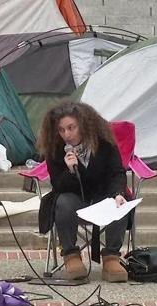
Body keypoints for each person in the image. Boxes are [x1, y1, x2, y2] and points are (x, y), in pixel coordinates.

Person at [36, 101, 128, 282]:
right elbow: (58, 185)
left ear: (84, 125)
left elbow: (117, 172)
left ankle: (111, 257)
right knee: (63, 202)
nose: (67, 134)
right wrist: (70, 170)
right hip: (75, 197)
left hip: (103, 193)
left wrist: (118, 193)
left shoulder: (104, 143)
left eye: (71, 128)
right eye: (62, 130)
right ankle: (71, 255)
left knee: (120, 203)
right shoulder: (55, 148)